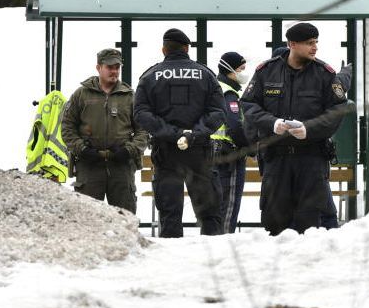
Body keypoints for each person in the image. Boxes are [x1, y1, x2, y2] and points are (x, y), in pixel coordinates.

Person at [241, 23, 348, 235]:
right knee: (275, 221)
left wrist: (309, 128)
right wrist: (272, 123)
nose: (315, 47)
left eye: (316, 42)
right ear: (292, 44)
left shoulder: (324, 74)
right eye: (309, 43)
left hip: (311, 159)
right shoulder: (266, 71)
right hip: (276, 159)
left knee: (309, 222)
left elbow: (337, 109)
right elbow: (249, 104)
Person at [133, 28, 226, 237]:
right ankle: (214, 263)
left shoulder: (150, 76)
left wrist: (173, 133)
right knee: (210, 214)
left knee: (169, 213)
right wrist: (194, 133)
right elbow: (218, 112)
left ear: (164, 49)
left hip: (166, 152)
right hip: (199, 152)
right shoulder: (206, 75)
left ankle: (171, 263)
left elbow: (141, 113)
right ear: (186, 48)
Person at [61, 48, 148, 213]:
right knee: (87, 219)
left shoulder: (130, 96)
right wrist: (83, 149)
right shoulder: (81, 95)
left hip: (121, 167)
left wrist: (128, 150)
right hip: (89, 166)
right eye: (109, 67)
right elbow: (67, 126)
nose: (114, 71)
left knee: (125, 218)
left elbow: (143, 130)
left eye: (117, 67)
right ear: (98, 68)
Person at [211, 51, 250, 233]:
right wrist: (250, 148)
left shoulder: (215, 86)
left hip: (212, 154)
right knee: (229, 205)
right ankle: (224, 244)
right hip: (229, 156)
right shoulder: (228, 93)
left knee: (216, 206)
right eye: (241, 69)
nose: (244, 72)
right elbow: (234, 126)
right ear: (230, 70)